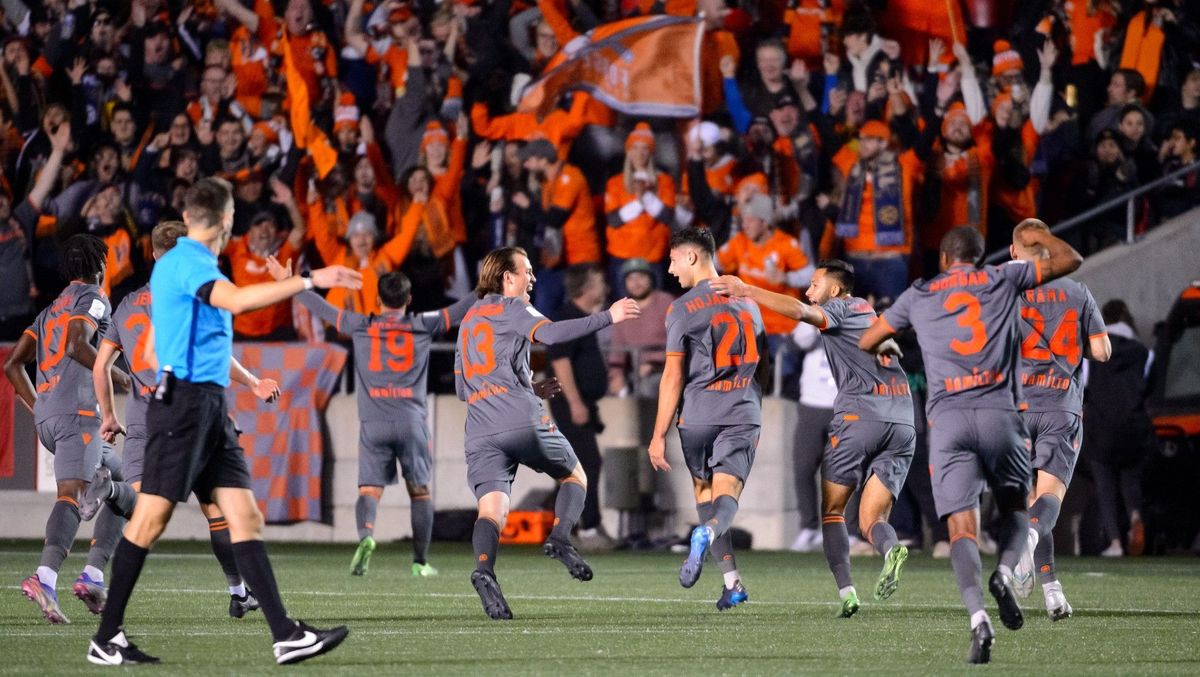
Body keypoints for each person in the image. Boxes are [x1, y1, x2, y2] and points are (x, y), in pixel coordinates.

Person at [86, 178, 361, 666]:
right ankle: (107, 638)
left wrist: (230, 377)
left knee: (243, 516)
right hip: (186, 408)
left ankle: (286, 634)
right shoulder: (189, 260)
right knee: (150, 520)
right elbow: (234, 303)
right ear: (227, 219)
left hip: (208, 406)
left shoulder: (187, 265)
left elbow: (150, 346)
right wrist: (310, 280)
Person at [859, 225, 1082, 664]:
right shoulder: (1003, 278)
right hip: (1000, 415)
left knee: (962, 529)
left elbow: (868, 338)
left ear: (944, 258)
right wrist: (1043, 234)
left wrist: (890, 343)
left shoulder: (921, 293)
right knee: (1018, 509)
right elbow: (1070, 260)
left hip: (948, 421)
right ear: (981, 258)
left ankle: (979, 619)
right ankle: (1004, 572)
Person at [88, 221, 283, 620]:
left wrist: (108, 414)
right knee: (213, 512)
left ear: (152, 252)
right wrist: (251, 383)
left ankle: (239, 594)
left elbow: (100, 366)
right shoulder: (185, 294)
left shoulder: (125, 304)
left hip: (144, 417)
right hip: (188, 412)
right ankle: (251, 602)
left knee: (147, 511)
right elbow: (211, 351)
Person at [713, 259, 915, 617]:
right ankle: (890, 550)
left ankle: (848, 594)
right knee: (871, 521)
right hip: (903, 421)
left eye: (815, 284)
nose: (809, 291)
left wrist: (748, 289)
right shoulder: (867, 310)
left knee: (833, 512)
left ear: (834, 290)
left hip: (860, 416)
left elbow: (800, 311)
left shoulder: (837, 307)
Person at [456, 247, 640, 620]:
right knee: (576, 475)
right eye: (527, 271)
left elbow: (464, 388)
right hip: (520, 420)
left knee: (491, 511)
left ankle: (483, 569)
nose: (533, 279)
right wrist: (609, 316)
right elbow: (553, 335)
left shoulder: (469, 318)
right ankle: (559, 538)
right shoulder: (514, 308)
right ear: (507, 278)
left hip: (479, 428)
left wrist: (527, 387)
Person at [266, 260, 473, 578]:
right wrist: (486, 287)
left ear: (378, 300)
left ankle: (366, 536)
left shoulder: (359, 324)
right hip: (412, 421)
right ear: (409, 299)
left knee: (369, 490)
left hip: (373, 422)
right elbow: (458, 310)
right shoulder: (423, 323)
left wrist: (291, 281)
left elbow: (319, 307)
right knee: (419, 491)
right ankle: (420, 562)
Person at [3, 234, 132, 625]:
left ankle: (93, 576)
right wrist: (118, 375)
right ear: (99, 266)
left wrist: (39, 407)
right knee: (73, 495)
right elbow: (78, 344)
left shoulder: (49, 309)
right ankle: (45, 577)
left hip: (50, 415)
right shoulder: (92, 296)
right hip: (78, 414)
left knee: (127, 487)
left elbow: (12, 364)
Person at [647, 228, 768, 612]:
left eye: (673, 259)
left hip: (697, 415)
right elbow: (760, 361)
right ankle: (709, 532)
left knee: (704, 493)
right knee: (726, 496)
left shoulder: (682, 307)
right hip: (740, 409)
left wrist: (657, 435)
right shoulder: (749, 301)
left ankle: (732, 583)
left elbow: (672, 376)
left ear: (693, 258)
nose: (669, 270)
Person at [1007, 219, 1111, 620]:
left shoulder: (1006, 290)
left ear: (1015, 252)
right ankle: (1027, 542)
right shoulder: (1076, 291)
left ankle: (1052, 591)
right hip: (1059, 407)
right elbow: (1101, 352)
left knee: (1029, 502)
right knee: (1048, 499)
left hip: (1015, 409)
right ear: (1048, 250)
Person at [547, 265, 613, 549]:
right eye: (599, 280)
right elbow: (560, 363)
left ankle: (565, 529)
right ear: (586, 288)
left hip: (581, 402)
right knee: (586, 464)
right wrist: (575, 403)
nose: (604, 286)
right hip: (568, 402)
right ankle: (588, 528)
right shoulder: (567, 319)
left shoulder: (582, 318)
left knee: (572, 466)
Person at [1084, 300, 1156, 559]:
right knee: (1130, 480)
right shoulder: (1143, 352)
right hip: (1134, 426)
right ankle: (1136, 515)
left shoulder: (1093, 352)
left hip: (1102, 427)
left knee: (1104, 487)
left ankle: (1114, 542)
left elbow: (1083, 386)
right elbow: (1150, 386)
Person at [607, 258, 674, 398]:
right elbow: (617, 351)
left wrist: (654, 364)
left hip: (664, 370)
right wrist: (616, 376)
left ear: (651, 279)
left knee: (647, 388)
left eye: (641, 277)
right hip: (635, 373)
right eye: (631, 278)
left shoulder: (665, 302)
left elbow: (678, 341)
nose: (636, 283)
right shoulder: (622, 309)